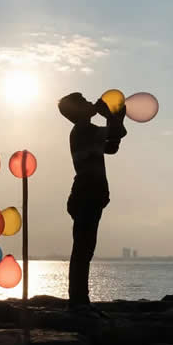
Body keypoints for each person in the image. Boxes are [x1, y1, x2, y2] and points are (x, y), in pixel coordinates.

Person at [58, 92, 127, 317]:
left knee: (84, 249)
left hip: (88, 195)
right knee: (83, 250)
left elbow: (112, 147)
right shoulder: (83, 131)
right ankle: (78, 302)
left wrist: (115, 118)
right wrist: (113, 117)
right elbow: (117, 132)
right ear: (78, 111)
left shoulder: (86, 132)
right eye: (85, 102)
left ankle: (79, 300)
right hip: (86, 195)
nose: (91, 103)